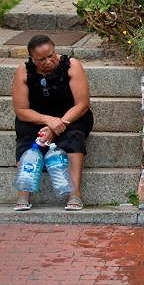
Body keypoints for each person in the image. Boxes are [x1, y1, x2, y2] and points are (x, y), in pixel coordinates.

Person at [12, 35, 92, 211]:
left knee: (73, 139)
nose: (48, 61)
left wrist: (57, 126)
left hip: (71, 117)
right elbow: (21, 110)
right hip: (37, 118)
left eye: (51, 55)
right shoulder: (23, 72)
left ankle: (75, 194)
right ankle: (24, 193)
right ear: (32, 59)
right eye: (42, 59)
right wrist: (48, 121)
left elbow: (82, 104)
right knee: (26, 139)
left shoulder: (72, 66)